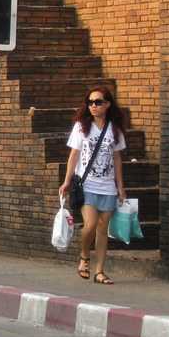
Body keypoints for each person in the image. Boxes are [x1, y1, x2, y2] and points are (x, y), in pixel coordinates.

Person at [58, 84, 127, 286]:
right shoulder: (81, 127)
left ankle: (99, 271)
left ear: (107, 104)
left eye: (98, 102)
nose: (93, 106)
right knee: (89, 225)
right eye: (90, 102)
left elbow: (117, 159)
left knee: (102, 229)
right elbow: (74, 156)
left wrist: (121, 187)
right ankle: (84, 256)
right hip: (87, 185)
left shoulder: (114, 129)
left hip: (108, 186)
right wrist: (67, 180)